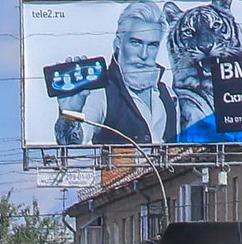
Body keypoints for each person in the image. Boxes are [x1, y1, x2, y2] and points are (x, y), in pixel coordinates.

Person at [55, 1, 179, 147]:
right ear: (118, 43)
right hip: (120, 170)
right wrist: (70, 112)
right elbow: (72, 141)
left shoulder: (169, 96)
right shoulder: (101, 92)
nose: (144, 54)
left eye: (152, 45)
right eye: (136, 43)